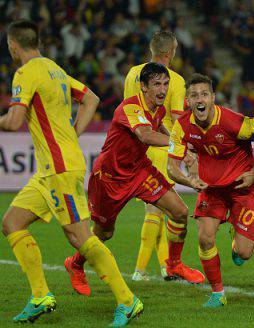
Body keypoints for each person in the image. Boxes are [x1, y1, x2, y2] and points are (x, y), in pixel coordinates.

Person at [0, 20, 142, 326]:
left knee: (79, 237)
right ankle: (40, 296)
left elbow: (13, 122)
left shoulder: (25, 73)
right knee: (12, 223)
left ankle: (128, 301)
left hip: (60, 169)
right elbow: (90, 98)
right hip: (50, 169)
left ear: (13, 45)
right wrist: (74, 132)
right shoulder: (55, 69)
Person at [64, 63, 204, 297]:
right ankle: (75, 264)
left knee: (179, 211)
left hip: (139, 171)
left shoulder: (157, 107)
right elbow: (146, 135)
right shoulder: (129, 107)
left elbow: (158, 125)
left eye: (166, 84)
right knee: (104, 233)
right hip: (110, 177)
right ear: (143, 87)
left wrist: (184, 152)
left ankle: (174, 264)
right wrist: (177, 145)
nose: (163, 90)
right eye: (157, 84)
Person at [167, 73, 254, 308]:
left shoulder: (233, 121)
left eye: (204, 94)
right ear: (187, 100)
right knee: (205, 238)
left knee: (244, 253)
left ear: (213, 98)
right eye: (194, 95)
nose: (200, 99)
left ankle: (237, 240)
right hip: (212, 189)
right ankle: (218, 293)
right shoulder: (182, 127)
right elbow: (171, 168)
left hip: (242, 188)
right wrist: (190, 182)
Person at [124, 30, 188, 281]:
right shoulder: (175, 80)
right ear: (170, 52)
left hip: (136, 146)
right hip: (161, 146)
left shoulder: (132, 74)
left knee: (160, 210)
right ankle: (140, 271)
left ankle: (164, 266)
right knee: (156, 210)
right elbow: (178, 122)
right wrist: (184, 149)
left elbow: (127, 111)